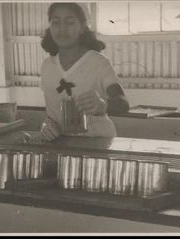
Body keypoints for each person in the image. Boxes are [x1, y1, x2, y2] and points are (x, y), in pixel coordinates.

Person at [39, 3, 129, 141]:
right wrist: (47, 125)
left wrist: (102, 105)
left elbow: (123, 103)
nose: (62, 29)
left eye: (69, 22)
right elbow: (51, 114)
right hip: (60, 144)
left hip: (98, 143)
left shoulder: (99, 63)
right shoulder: (47, 66)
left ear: (82, 27)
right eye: (56, 22)